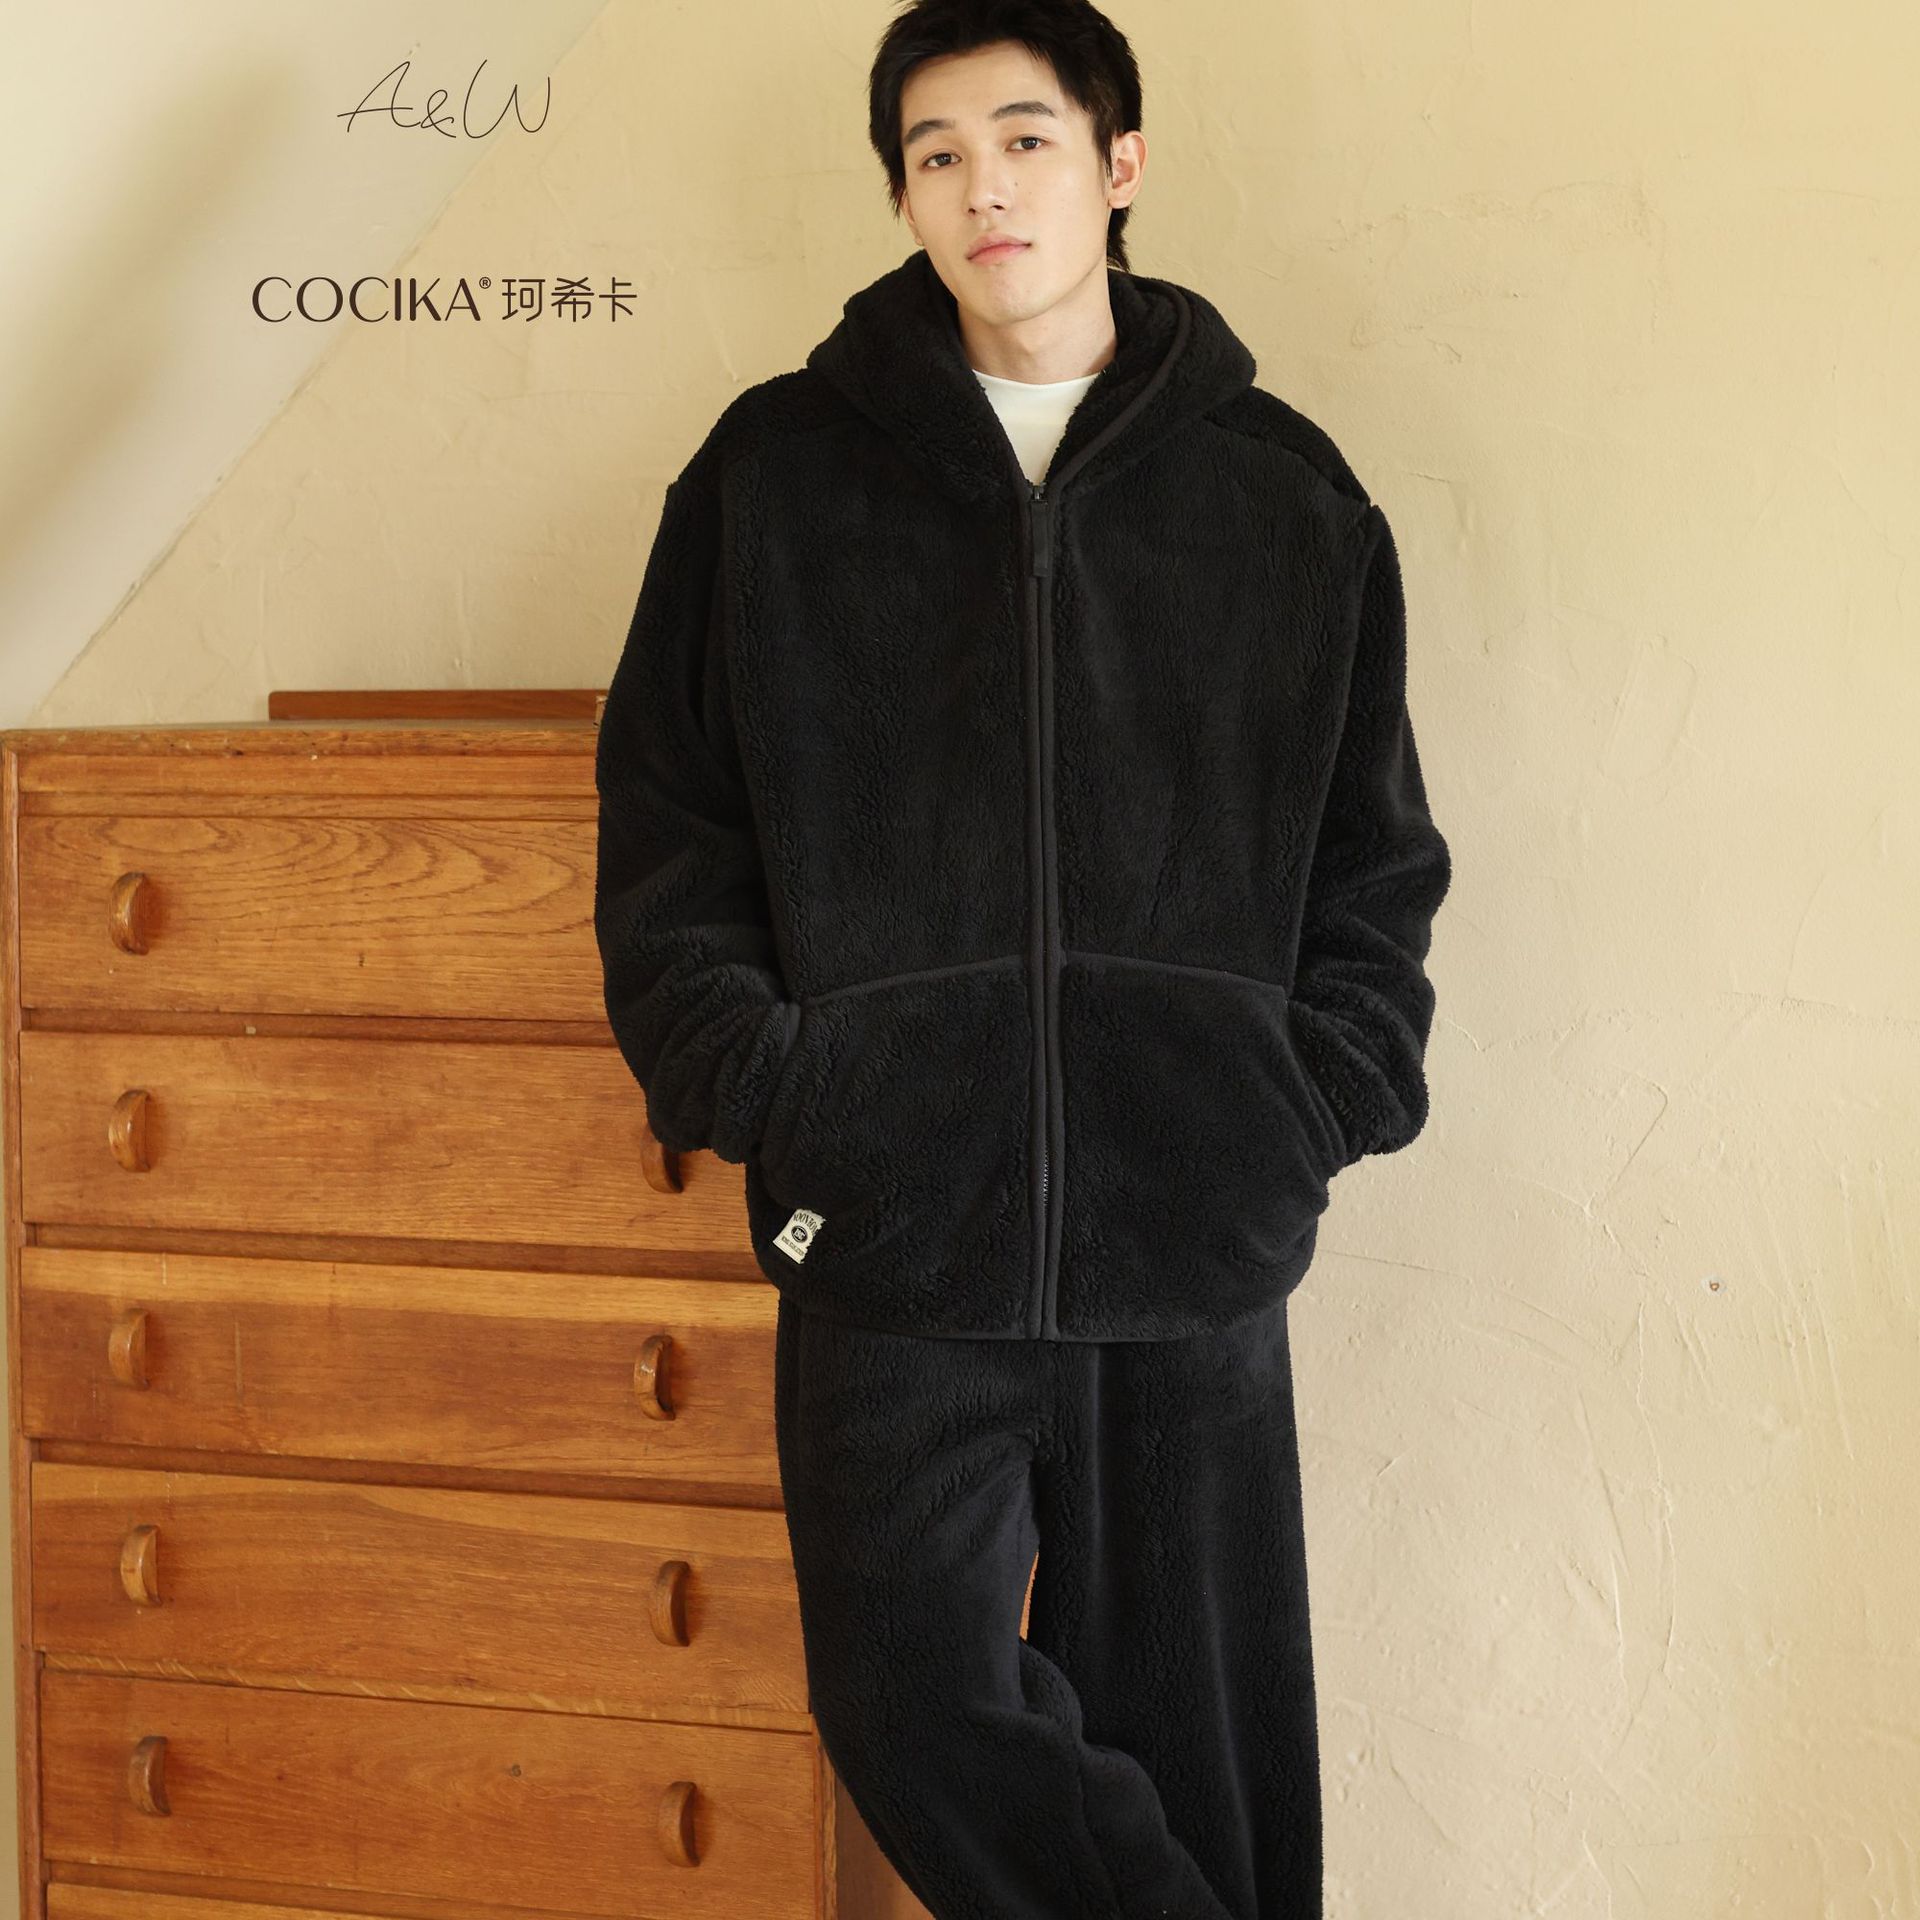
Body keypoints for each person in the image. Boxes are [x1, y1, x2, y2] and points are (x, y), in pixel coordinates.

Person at [593, 2, 1452, 1912]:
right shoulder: (772, 483)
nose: (984, 187)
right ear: (903, 197)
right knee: (911, 1695)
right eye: (936, 154)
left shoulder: (1284, 498)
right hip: (893, 1227)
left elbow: (1373, 860)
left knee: (1213, 1770)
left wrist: (1314, 1095)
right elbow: (669, 827)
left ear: (1118, 165)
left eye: (1025, 138)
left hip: (1189, 1224)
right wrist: (775, 1084)